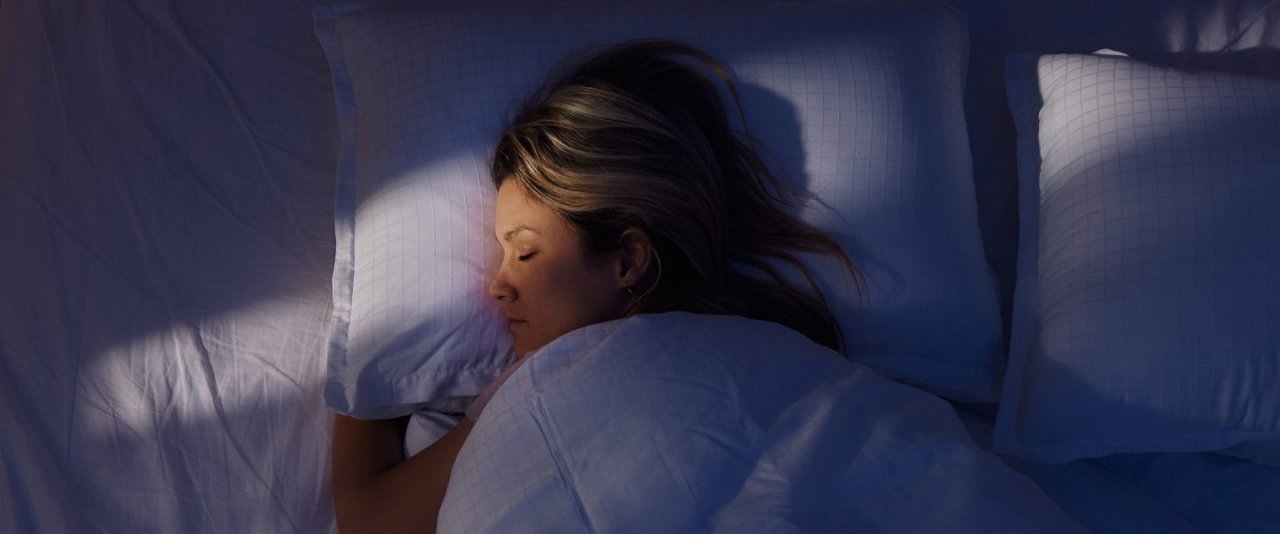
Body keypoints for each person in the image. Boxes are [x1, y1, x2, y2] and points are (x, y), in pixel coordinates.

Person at [330, 39, 859, 533]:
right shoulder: (784, 347)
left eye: (527, 252)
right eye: (503, 253)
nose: (497, 285)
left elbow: (370, 519)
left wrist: (367, 343)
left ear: (627, 260)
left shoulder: (543, 381)